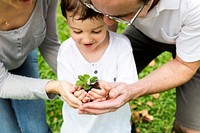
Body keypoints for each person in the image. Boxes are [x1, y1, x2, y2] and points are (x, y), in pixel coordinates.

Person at [77, 0, 200, 133]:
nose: (106, 21)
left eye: (120, 16)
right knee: (105, 87)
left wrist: (131, 90)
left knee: (190, 128)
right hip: (142, 31)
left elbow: (184, 65)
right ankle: (126, 126)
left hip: (195, 42)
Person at [57, 0, 138, 132]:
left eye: (96, 31)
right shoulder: (66, 50)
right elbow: (65, 89)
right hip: (78, 128)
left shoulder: (121, 45)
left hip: (115, 127)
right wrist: (78, 94)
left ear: (108, 20)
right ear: (67, 22)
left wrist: (109, 91)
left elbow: (130, 84)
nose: (87, 39)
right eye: (77, 31)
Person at [0, 0, 75, 132]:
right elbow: (2, 83)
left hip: (22, 59)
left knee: (37, 130)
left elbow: (50, 44)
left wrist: (77, 81)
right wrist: (54, 86)